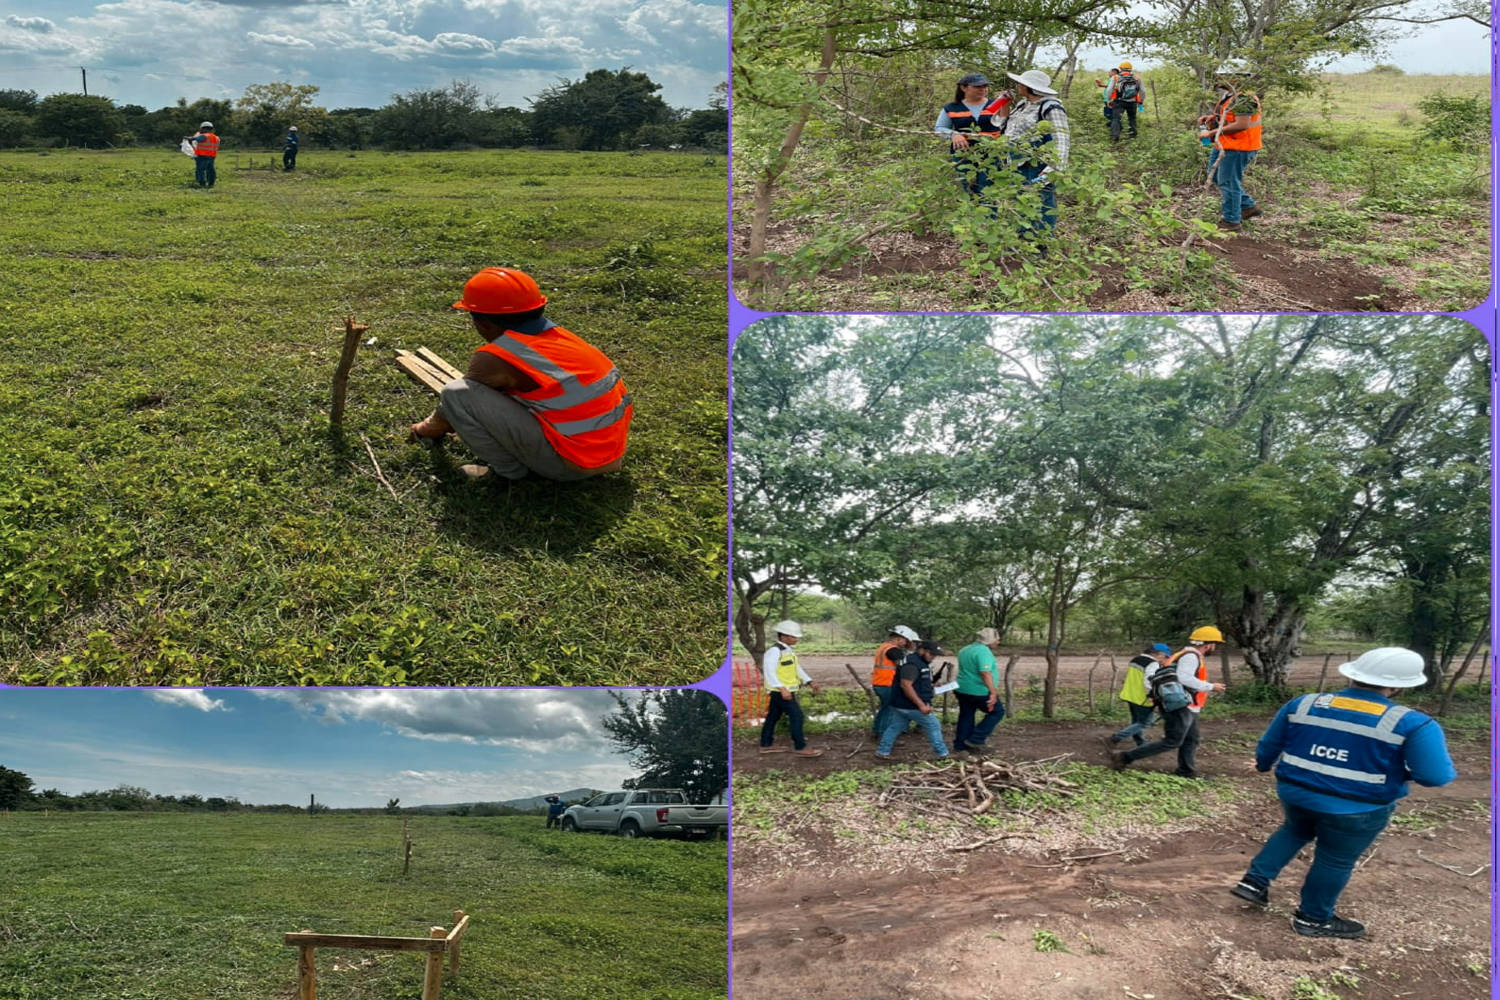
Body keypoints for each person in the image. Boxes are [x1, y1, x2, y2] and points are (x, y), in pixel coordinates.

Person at [1231, 648, 1456, 939]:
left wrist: (1262, 765)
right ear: (1400, 686)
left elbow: (1270, 744)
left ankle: (1254, 882)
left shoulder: (1303, 703)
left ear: (1353, 674)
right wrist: (1398, 771)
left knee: (1293, 831)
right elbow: (1435, 776)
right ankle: (1313, 918)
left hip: (1296, 793)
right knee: (1335, 859)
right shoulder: (1414, 723)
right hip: (1357, 808)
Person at [408, 267, 633, 482]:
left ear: (481, 323)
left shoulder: (496, 358)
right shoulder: (562, 339)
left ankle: (510, 473)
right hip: (608, 454)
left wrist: (427, 428)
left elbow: (457, 403)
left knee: (456, 393)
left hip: (570, 465)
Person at [1111, 626, 1226, 777]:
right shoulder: (1191, 657)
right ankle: (1125, 757)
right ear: (1208, 644)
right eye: (1215, 644)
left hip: (1187, 705)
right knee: (1172, 741)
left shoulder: (1184, 654)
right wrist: (1211, 686)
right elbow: (1183, 678)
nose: (1215, 647)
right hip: (1180, 705)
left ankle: (1186, 770)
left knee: (1191, 739)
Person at [997, 69, 1070, 236]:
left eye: (1021, 83)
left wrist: (1055, 167)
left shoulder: (1051, 106)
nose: (1018, 86)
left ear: (1029, 87)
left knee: (1043, 201)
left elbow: (1062, 138)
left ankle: (1043, 240)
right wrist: (1005, 105)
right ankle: (1025, 235)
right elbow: (1004, 128)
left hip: (1039, 164)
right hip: (1018, 161)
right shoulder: (1024, 104)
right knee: (1022, 199)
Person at [1199, 61, 1262, 231]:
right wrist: (1211, 118)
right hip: (1225, 144)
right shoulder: (1231, 96)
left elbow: (1242, 124)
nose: (1218, 78)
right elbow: (1229, 117)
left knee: (1229, 183)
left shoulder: (1244, 99)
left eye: (1223, 75)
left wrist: (1210, 134)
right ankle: (1248, 206)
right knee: (1218, 178)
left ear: (1234, 78)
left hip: (1238, 147)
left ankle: (1232, 221)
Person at [935, 73, 1012, 201]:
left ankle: (989, 216)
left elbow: (1005, 123)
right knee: (967, 186)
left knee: (988, 187)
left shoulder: (995, 104)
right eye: (977, 87)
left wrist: (1006, 104)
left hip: (991, 153)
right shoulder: (951, 108)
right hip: (963, 154)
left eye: (985, 86)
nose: (983, 89)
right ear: (964, 88)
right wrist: (954, 134)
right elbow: (939, 128)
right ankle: (970, 216)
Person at [757, 620, 824, 757]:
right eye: (794, 637)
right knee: (797, 716)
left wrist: (809, 681)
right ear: (783, 637)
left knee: (773, 717)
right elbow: (769, 672)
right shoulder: (774, 651)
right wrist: (782, 689)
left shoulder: (788, 651)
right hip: (780, 692)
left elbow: (796, 668)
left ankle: (766, 745)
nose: (797, 639)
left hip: (785, 691)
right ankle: (800, 747)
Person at [875, 641, 950, 762]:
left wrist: (930, 685)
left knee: (895, 726)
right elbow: (906, 685)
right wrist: (921, 706)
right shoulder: (913, 665)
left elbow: (916, 682)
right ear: (922, 650)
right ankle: (943, 754)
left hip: (900, 703)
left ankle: (882, 752)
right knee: (933, 725)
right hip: (911, 705)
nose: (933, 657)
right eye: (931, 654)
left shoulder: (918, 662)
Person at [953, 627, 1006, 754]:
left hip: (962, 688)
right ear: (990, 640)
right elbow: (985, 673)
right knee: (997, 712)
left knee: (966, 715)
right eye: (997, 640)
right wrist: (993, 692)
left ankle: (961, 745)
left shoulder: (965, 650)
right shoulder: (983, 652)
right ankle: (976, 739)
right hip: (979, 690)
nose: (998, 642)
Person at [1107, 643, 1171, 747]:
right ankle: (1116, 738)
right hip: (1142, 698)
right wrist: (1153, 696)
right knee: (1145, 723)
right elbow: (1149, 682)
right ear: (1160, 654)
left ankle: (1141, 742)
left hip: (1130, 695)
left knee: (1136, 722)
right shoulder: (1152, 664)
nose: (1164, 660)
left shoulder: (1135, 659)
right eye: (1165, 657)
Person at [871, 625, 919, 737]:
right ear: (899, 638)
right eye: (905, 640)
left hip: (880, 682)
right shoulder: (893, 650)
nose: (906, 643)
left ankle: (877, 730)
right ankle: (884, 735)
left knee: (885, 709)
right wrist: (911, 650)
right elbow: (905, 664)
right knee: (889, 711)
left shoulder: (884, 647)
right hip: (887, 683)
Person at [1107, 61, 1145, 142]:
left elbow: (1109, 89)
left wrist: (1108, 99)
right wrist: (1141, 101)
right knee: (1132, 118)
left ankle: (1115, 136)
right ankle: (1133, 135)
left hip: (1119, 101)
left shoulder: (1116, 77)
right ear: (1130, 69)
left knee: (1116, 119)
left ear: (1120, 68)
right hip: (1132, 101)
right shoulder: (1137, 78)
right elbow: (1143, 91)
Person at [188, 121, 219, 188]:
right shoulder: (216, 137)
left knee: (200, 170)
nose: (200, 130)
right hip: (212, 156)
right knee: (211, 170)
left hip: (202, 156)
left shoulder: (205, 136)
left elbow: (198, 138)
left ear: (205, 128)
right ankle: (211, 183)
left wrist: (190, 138)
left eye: (201, 128)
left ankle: (202, 183)